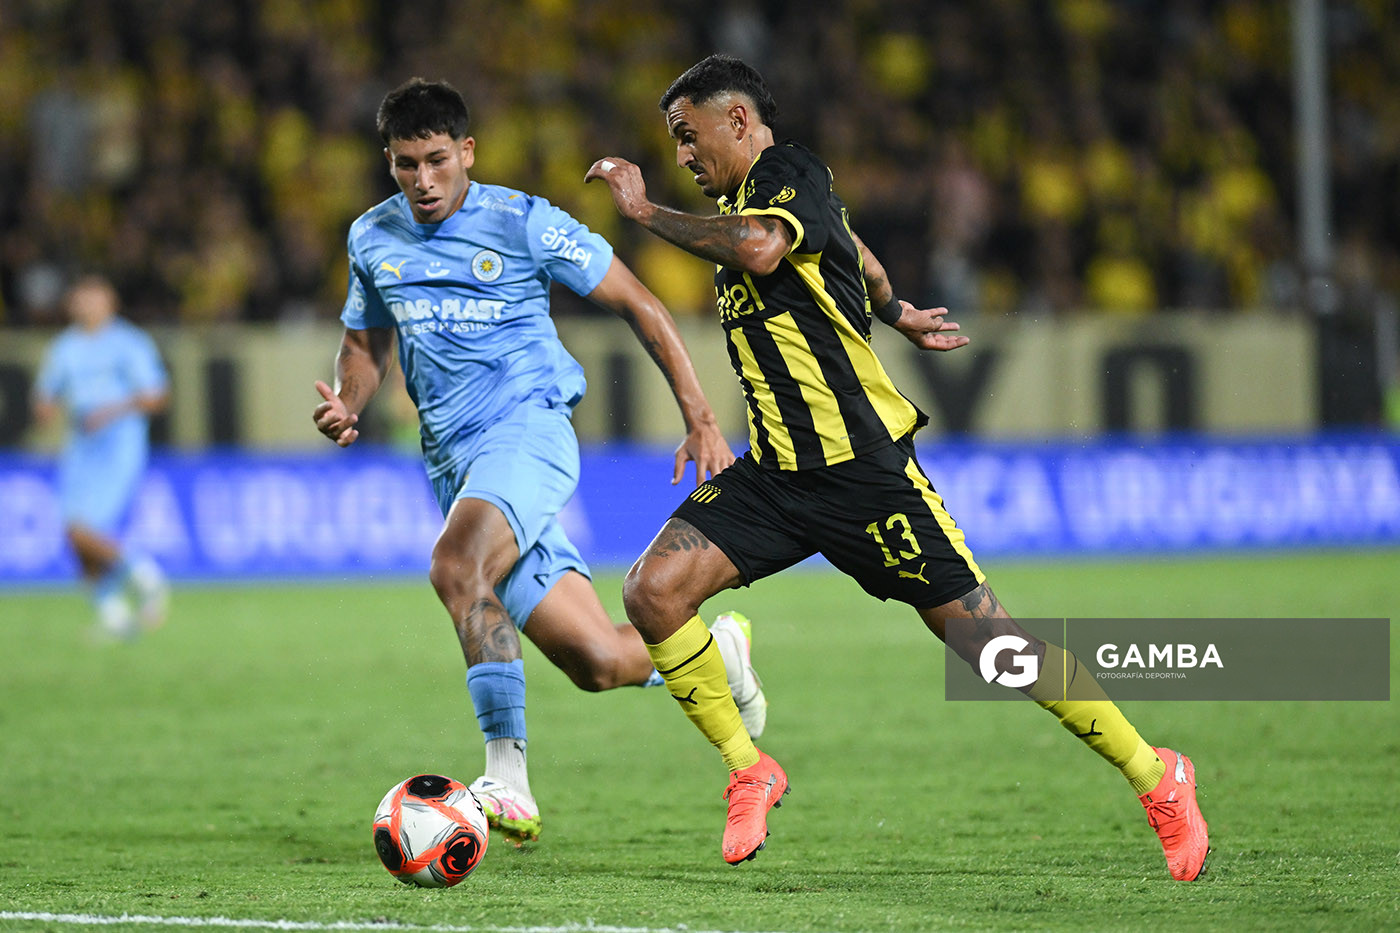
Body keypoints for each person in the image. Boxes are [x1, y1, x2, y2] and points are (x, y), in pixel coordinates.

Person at [585, 54, 1209, 879]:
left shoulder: (785, 173)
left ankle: (1155, 773)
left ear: (737, 119)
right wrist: (893, 308)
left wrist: (642, 209)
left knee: (992, 650)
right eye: (673, 145)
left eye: (687, 135)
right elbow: (856, 249)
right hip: (776, 476)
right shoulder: (770, 197)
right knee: (651, 590)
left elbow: (766, 249)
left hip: (865, 473)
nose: (682, 155)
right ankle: (749, 768)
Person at [312, 77, 768, 846]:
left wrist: (699, 414)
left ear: (467, 152)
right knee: (596, 660)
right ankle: (715, 651)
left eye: (434, 161)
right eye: (403, 165)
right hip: (454, 465)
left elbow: (640, 302)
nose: (421, 182)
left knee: (457, 565)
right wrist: (350, 401)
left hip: (527, 434)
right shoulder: (372, 238)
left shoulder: (521, 222)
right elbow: (365, 344)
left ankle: (507, 775)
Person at [32, 274, 171, 640]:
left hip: (119, 446)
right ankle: (115, 618)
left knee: (83, 530)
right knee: (72, 535)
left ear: (110, 303)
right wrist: (44, 408)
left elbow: (157, 396)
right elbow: (45, 394)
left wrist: (111, 410)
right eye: (80, 299)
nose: (85, 305)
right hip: (79, 447)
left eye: (93, 298)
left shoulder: (129, 343)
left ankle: (143, 574)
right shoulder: (64, 348)